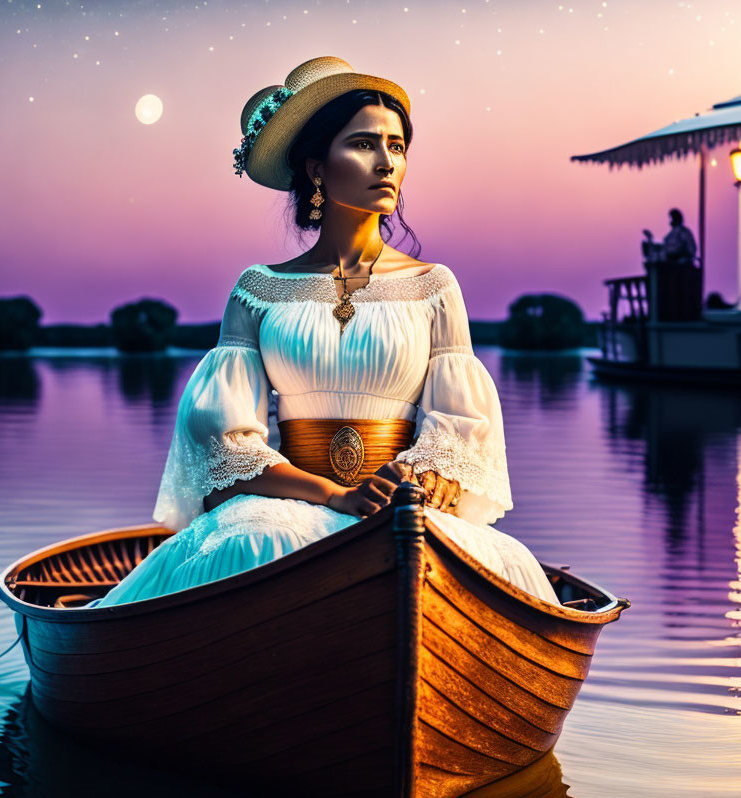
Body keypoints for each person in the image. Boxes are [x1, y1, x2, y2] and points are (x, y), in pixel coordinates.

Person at [90, 56, 558, 608]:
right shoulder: (258, 290)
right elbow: (225, 450)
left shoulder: (434, 286)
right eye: (364, 144)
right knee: (254, 540)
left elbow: (459, 433)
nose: (386, 162)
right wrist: (335, 496)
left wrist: (413, 481)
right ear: (316, 167)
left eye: (397, 146)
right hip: (287, 503)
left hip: (396, 505)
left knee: (467, 558)